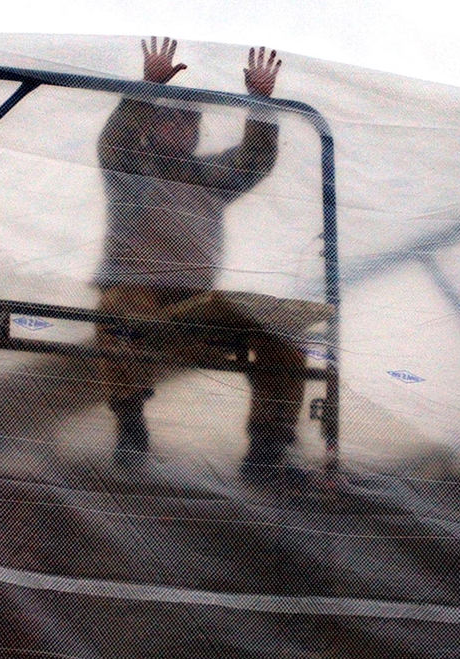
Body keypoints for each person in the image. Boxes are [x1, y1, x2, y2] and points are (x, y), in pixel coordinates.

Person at [95, 37, 307, 479]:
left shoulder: (208, 178)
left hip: (197, 306)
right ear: (152, 126)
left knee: (281, 332)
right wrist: (147, 88)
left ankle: (268, 446)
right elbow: (114, 142)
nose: (182, 128)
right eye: (170, 120)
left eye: (190, 122)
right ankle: (131, 427)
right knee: (119, 307)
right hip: (143, 301)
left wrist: (261, 105)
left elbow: (255, 159)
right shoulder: (134, 171)